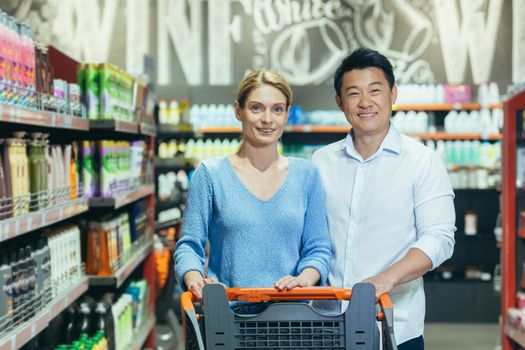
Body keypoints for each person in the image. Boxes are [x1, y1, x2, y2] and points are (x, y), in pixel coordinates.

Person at [312, 48, 456, 350]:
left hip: (394, 327)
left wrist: (385, 279)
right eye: (354, 93)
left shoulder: (422, 161)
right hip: (327, 324)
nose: (365, 102)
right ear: (340, 102)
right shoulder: (320, 162)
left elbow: (439, 237)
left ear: (393, 94)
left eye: (375, 90)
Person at [175, 69, 332, 308]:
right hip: (229, 319)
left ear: (287, 114)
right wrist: (196, 281)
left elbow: (318, 249)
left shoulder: (306, 175)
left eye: (277, 109)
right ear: (238, 111)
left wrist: (303, 280)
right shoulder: (211, 174)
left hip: (292, 319)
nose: (267, 119)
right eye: (256, 108)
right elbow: (189, 245)